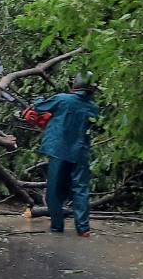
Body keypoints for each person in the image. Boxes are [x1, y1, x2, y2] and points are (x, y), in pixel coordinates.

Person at [31, 72, 102, 237]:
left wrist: (37, 99)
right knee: (81, 190)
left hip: (58, 151)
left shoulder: (62, 99)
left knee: (54, 191)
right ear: (92, 89)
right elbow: (97, 127)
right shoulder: (94, 108)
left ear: (74, 86)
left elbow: (39, 107)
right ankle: (83, 229)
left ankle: (57, 227)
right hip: (80, 153)